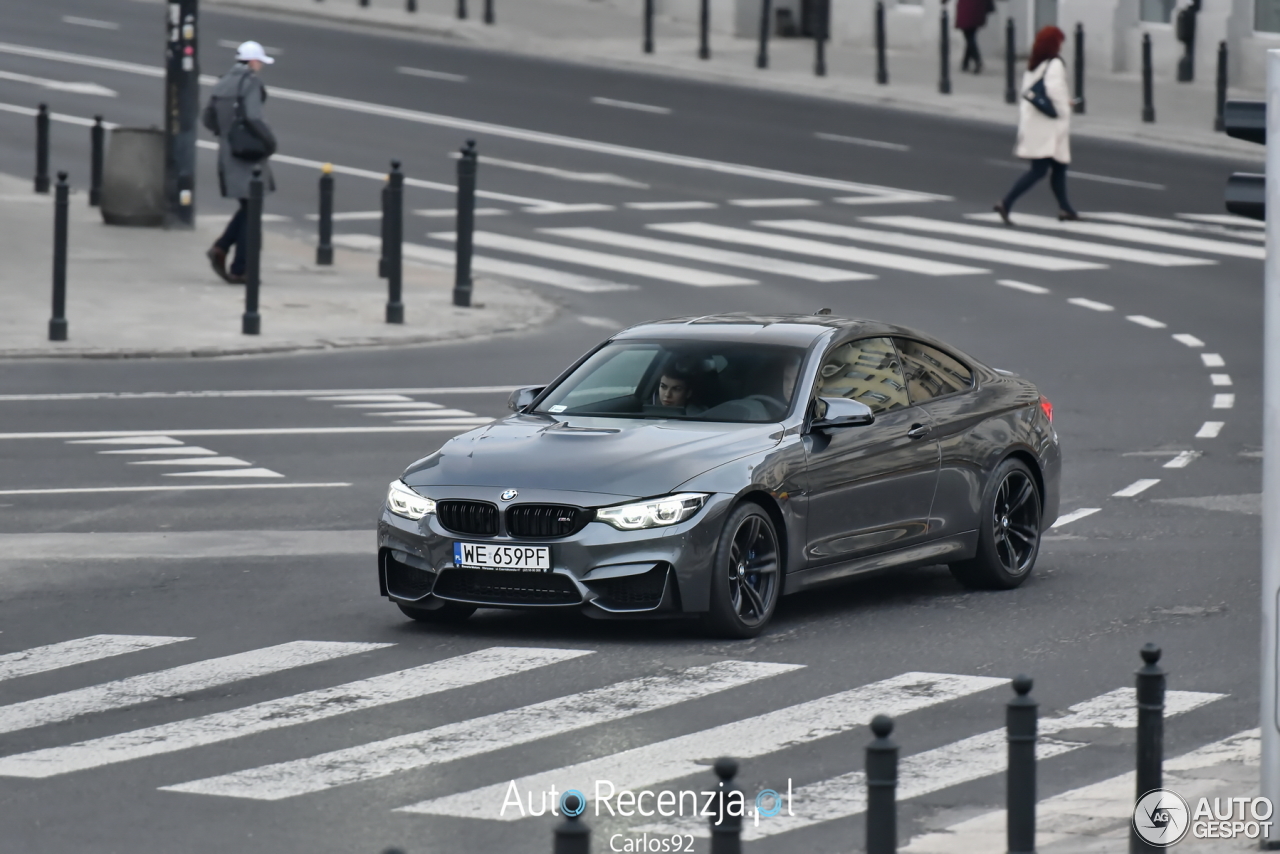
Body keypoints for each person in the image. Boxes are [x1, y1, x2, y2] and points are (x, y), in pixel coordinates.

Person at [203, 41, 277, 284]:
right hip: (248, 153)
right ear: (253, 61)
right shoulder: (250, 82)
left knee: (247, 208)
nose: (261, 67)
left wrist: (226, 134)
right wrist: (269, 142)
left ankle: (222, 248)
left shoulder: (223, 82)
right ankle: (241, 268)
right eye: (260, 62)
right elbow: (254, 117)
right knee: (252, 209)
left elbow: (207, 118)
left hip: (228, 153)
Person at [993, 26, 1079, 225]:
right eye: (1060, 42)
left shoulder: (1035, 64)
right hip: (1049, 124)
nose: (1062, 46)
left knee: (1059, 166)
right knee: (1040, 169)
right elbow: (1054, 89)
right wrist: (1064, 109)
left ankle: (1066, 208)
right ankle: (1006, 202)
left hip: (1035, 122)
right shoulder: (1055, 63)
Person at [953, 0, 992, 73]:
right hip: (978, 8)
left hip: (966, 8)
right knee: (970, 36)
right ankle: (965, 63)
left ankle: (978, 61)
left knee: (969, 37)